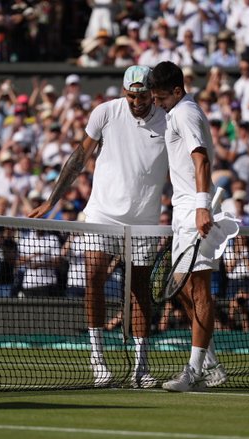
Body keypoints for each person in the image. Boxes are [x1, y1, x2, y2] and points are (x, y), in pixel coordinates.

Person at [29, 66, 168, 389]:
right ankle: (97, 358)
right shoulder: (105, 113)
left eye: (143, 95)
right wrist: (52, 201)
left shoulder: (168, 119)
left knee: (140, 290)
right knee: (93, 276)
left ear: (152, 93)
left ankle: (141, 367)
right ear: (124, 92)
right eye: (132, 95)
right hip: (103, 212)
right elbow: (79, 157)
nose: (137, 101)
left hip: (145, 219)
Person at [150, 61, 228, 392]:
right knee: (182, 288)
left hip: (195, 210)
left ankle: (194, 371)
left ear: (177, 91)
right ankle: (211, 366)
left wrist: (201, 207)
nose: (156, 102)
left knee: (198, 288)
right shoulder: (175, 112)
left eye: (160, 95)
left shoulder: (184, 112)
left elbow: (202, 160)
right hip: (184, 210)